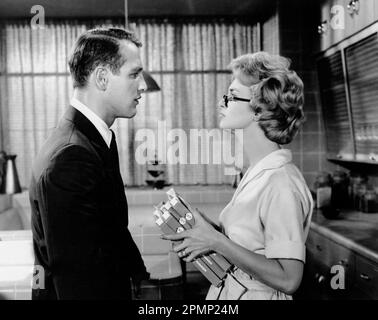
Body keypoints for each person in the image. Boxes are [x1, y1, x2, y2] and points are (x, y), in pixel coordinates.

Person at [163, 52, 314, 300]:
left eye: (231, 96)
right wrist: (208, 231)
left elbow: (289, 279)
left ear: (258, 109)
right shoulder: (257, 171)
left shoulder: (281, 183)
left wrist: (215, 241)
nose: (221, 103)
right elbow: (252, 244)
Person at [29, 27, 149, 300]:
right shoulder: (70, 156)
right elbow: (76, 279)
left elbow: (110, 228)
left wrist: (136, 273)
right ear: (102, 78)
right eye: (134, 74)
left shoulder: (94, 139)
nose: (142, 85)